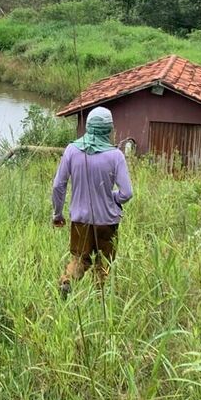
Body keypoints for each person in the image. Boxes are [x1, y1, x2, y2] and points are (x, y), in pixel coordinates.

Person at [51, 106, 133, 296]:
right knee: (103, 264)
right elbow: (127, 193)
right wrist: (112, 196)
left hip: (80, 220)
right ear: (109, 129)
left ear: (88, 127)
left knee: (79, 259)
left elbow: (58, 185)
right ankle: (99, 300)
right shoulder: (116, 155)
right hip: (107, 222)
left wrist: (57, 214)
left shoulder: (72, 150)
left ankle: (67, 281)